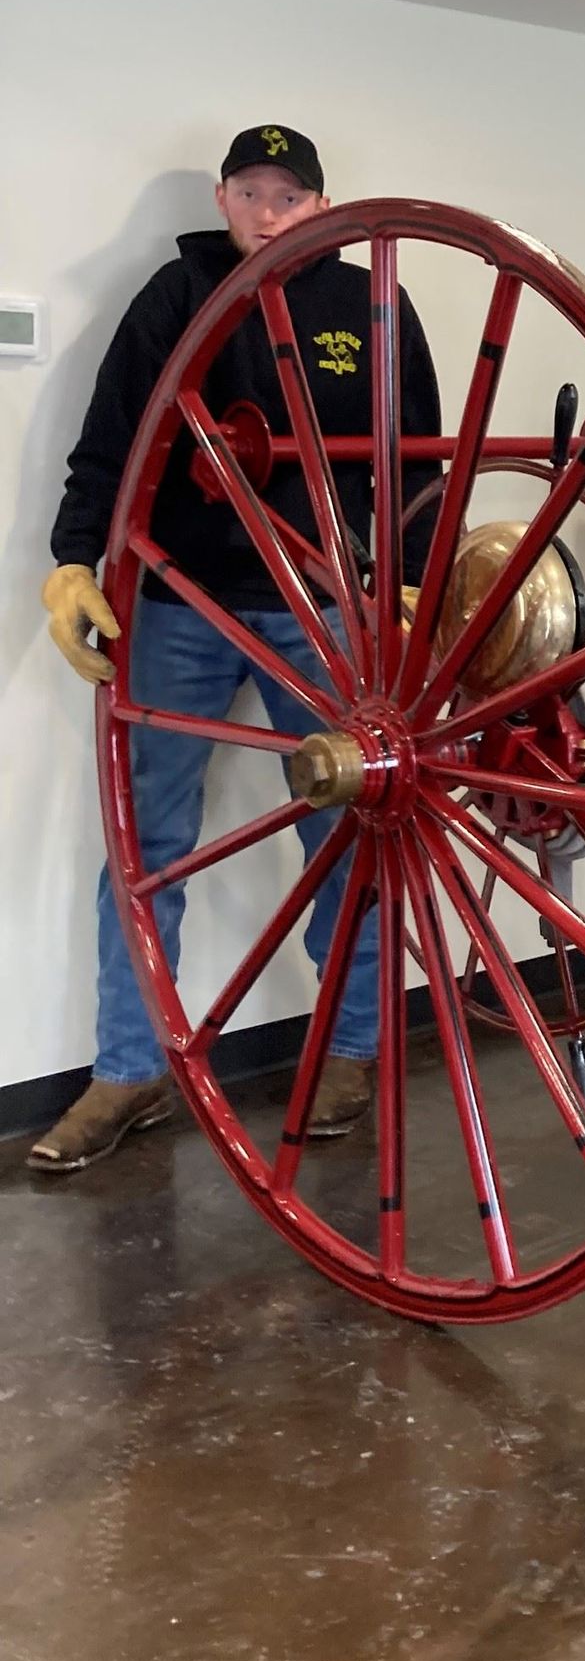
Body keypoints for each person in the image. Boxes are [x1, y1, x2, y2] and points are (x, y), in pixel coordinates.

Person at [33, 125, 441, 1172]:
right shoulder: (178, 299)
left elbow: (421, 455)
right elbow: (112, 438)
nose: (269, 212)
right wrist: (76, 559)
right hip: (181, 600)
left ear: (318, 205)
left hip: (324, 611)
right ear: (223, 198)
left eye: (289, 195)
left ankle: (353, 1046)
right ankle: (128, 1072)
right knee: (146, 842)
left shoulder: (371, 305)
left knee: (351, 833)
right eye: (251, 192)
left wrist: (410, 580)